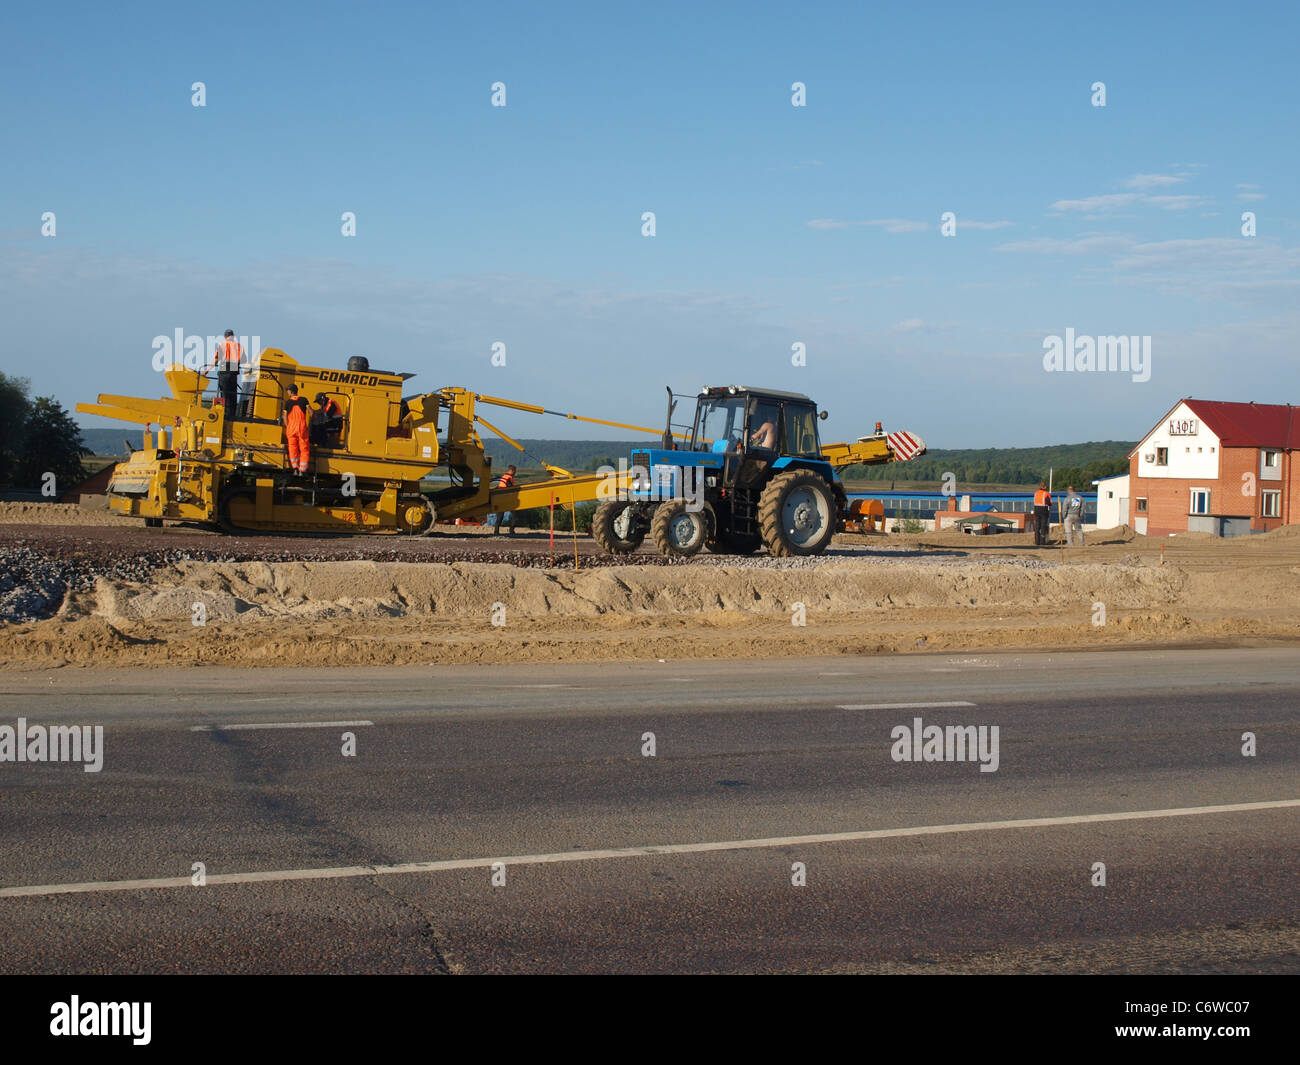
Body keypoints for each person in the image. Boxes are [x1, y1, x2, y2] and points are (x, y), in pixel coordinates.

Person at [282, 384, 312, 476]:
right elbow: (311, 413)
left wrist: (288, 426)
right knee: (304, 448)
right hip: (301, 427)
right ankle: (302, 470)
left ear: (291, 391)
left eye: (288, 391)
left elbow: (284, 416)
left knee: (292, 448)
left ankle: (295, 468)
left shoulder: (288, 402)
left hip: (291, 428)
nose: (287, 393)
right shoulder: (304, 400)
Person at [212, 329, 242, 416]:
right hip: (233, 373)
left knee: (224, 395)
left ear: (225, 337)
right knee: (232, 395)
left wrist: (207, 370)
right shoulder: (238, 346)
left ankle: (223, 413)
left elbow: (216, 359)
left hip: (223, 372)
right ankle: (232, 415)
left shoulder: (222, 345)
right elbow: (240, 360)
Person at [490, 464, 517, 535]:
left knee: (500, 516)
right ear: (512, 471)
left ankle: (496, 531)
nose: (515, 473)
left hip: (500, 498)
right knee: (514, 514)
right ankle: (511, 530)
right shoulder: (509, 478)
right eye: (515, 471)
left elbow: (500, 486)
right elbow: (510, 488)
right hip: (506, 499)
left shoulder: (504, 477)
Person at [1032, 482, 1051, 546]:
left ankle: (1037, 541)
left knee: (1037, 526)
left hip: (1036, 510)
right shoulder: (1046, 493)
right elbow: (1049, 503)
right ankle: (1042, 542)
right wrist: (1050, 503)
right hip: (1043, 510)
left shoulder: (1036, 493)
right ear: (1045, 487)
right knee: (1043, 526)